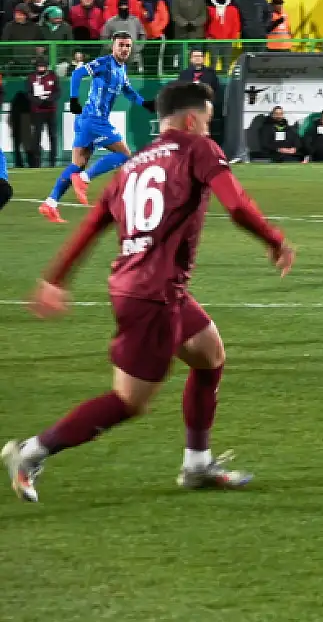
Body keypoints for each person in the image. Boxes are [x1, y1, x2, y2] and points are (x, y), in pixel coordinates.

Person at [3, 80, 295, 504]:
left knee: (210, 354)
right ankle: (30, 453)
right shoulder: (198, 148)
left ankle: (197, 463)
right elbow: (235, 204)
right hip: (153, 295)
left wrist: (55, 278)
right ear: (193, 120)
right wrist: (275, 240)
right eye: (208, 123)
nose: (209, 131)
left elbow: (90, 225)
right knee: (128, 401)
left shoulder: (132, 164)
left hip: (140, 286)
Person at [39, 33, 148, 223]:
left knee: (77, 164)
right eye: (121, 45)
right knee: (124, 155)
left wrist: (147, 104)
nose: (124, 49)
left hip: (86, 120)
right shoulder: (105, 63)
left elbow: (129, 92)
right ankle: (85, 178)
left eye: (128, 46)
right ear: (112, 46)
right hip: (94, 119)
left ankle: (50, 203)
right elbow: (77, 73)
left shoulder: (121, 70)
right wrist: (73, 99)